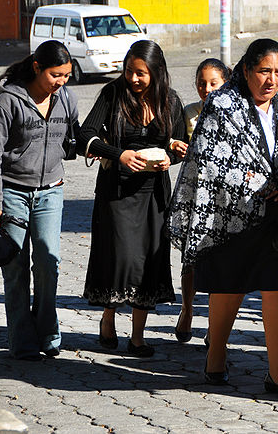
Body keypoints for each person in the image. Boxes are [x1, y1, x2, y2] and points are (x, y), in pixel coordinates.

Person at [168, 39, 278, 397]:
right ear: (248, 70)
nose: (271, 80)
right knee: (228, 287)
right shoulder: (222, 105)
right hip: (230, 215)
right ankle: (216, 355)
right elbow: (209, 160)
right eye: (264, 71)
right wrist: (254, 182)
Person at [80, 40, 187, 358]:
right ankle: (108, 318)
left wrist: (171, 156)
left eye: (141, 73)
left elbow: (178, 143)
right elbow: (85, 135)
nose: (134, 78)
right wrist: (119, 154)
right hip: (116, 192)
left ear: (156, 73)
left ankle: (138, 337)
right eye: (130, 71)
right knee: (120, 258)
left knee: (148, 261)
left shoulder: (170, 100)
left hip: (152, 195)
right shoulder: (112, 94)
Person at [0, 40, 79, 360]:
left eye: (66, 75)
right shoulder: (6, 103)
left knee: (48, 264)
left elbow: (72, 136)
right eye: (55, 75)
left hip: (52, 190)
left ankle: (48, 333)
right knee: (16, 267)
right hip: (12, 194)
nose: (61, 82)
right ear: (37, 67)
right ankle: (22, 339)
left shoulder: (66, 98)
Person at [174, 58, 230, 343]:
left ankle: (214, 324)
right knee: (191, 256)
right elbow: (174, 144)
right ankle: (187, 309)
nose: (206, 89)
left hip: (225, 200)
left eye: (213, 83)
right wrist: (174, 145)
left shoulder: (236, 113)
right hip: (194, 196)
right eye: (201, 83)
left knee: (220, 261)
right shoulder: (189, 113)